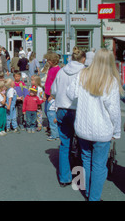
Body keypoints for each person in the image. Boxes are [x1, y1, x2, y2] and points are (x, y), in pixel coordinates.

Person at [67, 49, 123, 201]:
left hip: (83, 127)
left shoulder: (82, 75)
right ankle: (94, 196)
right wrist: (117, 131)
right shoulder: (110, 80)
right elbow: (114, 111)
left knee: (86, 159)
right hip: (101, 129)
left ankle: (88, 191)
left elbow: (70, 94)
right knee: (99, 165)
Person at [51, 47, 86, 185]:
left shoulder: (61, 71)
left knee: (65, 144)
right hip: (79, 109)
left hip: (62, 109)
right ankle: (81, 179)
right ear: (83, 59)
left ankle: (64, 178)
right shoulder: (85, 72)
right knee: (84, 145)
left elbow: (53, 90)